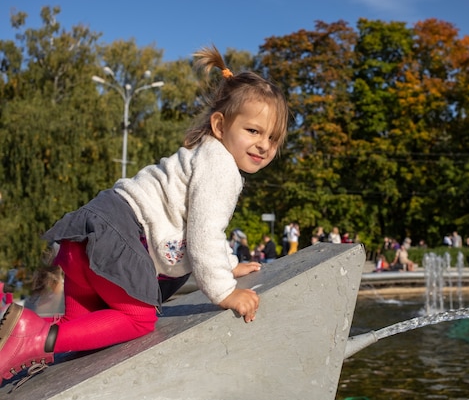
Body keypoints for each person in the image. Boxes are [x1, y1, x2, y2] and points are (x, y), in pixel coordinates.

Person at [0, 45, 289, 384]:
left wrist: (228, 262)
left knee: (81, 342)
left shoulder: (203, 154)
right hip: (115, 239)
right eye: (253, 131)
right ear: (220, 125)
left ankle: (24, 350)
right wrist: (226, 290)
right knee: (139, 320)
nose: (264, 145)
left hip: (84, 242)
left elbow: (195, 219)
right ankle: (33, 337)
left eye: (273, 138)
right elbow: (203, 233)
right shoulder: (221, 168)